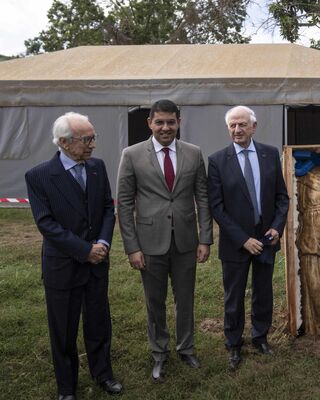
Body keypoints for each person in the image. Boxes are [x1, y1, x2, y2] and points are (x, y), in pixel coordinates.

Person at [25, 112, 122, 400]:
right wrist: (84, 250)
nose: (93, 144)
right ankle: (67, 387)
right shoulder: (40, 176)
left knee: (98, 323)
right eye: (87, 139)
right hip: (63, 267)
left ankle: (103, 374)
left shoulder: (97, 167)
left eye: (93, 137)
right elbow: (46, 224)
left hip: (97, 263)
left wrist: (103, 242)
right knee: (63, 331)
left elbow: (107, 207)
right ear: (65, 143)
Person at [117, 99, 212, 381]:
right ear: (150, 123)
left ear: (179, 122)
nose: (165, 127)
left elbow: (203, 198)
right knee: (154, 302)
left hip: (185, 241)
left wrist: (205, 238)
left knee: (186, 299)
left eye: (171, 122)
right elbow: (124, 203)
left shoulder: (194, 154)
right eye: (159, 122)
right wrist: (132, 247)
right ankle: (159, 352)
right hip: (149, 243)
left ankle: (186, 348)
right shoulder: (132, 154)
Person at [207, 105, 289, 371]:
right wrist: (243, 239)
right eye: (232, 125)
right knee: (234, 296)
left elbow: (281, 198)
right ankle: (233, 343)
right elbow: (216, 207)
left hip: (266, 238)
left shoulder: (269, 154)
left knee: (263, 292)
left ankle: (260, 337)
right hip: (236, 242)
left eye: (242, 124)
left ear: (254, 126)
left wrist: (277, 228)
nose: (237, 130)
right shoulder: (218, 160)